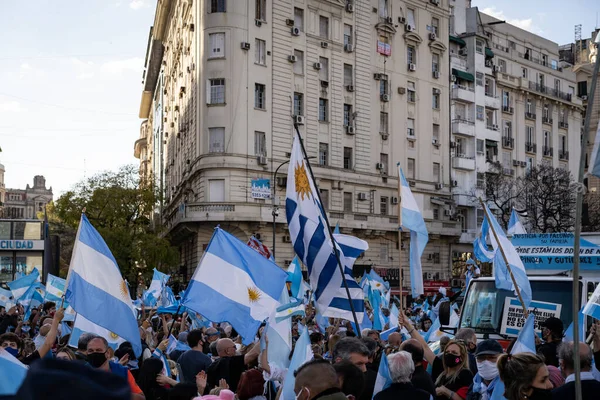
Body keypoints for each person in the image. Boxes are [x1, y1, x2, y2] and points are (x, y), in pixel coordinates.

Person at [399, 312, 472, 400]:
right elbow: (425, 347)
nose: (449, 354)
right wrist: (408, 325)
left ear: (461, 357)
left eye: (454, 352)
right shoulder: (440, 369)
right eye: (447, 352)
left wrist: (445, 391)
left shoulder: (465, 374)